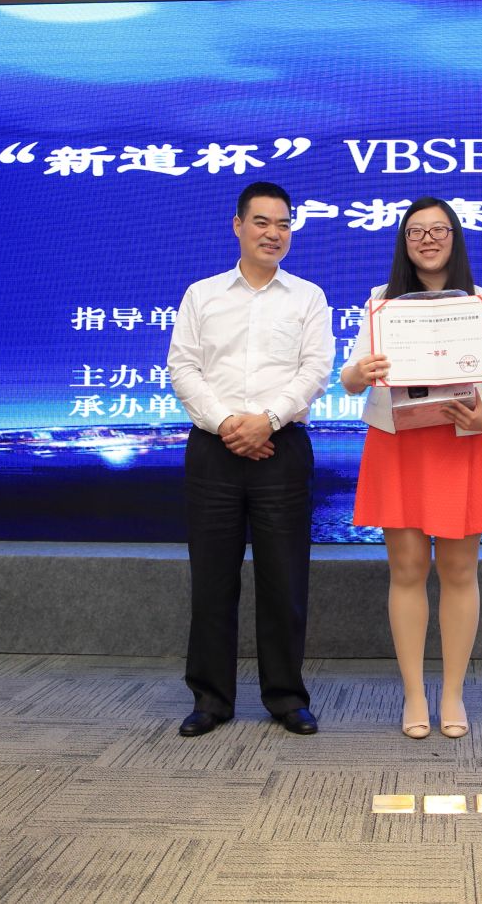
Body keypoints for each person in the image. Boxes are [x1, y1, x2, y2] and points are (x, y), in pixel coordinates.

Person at [340, 197, 482, 740]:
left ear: (455, 237)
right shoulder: (381, 303)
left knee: (460, 572)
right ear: (404, 242)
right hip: (399, 444)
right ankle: (414, 693)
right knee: (408, 570)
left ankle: (453, 694)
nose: (428, 239)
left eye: (439, 229)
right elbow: (349, 379)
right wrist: (361, 372)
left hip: (462, 442)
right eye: (416, 231)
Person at [167, 181, 334, 737]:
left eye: (284, 224)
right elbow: (183, 368)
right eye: (262, 222)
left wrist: (268, 420)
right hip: (213, 450)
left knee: (284, 581)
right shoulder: (202, 294)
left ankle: (286, 697)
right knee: (212, 581)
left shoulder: (307, 297)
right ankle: (210, 699)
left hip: (282, 447)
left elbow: (315, 370)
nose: (274, 233)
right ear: (237, 225)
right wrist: (227, 424)